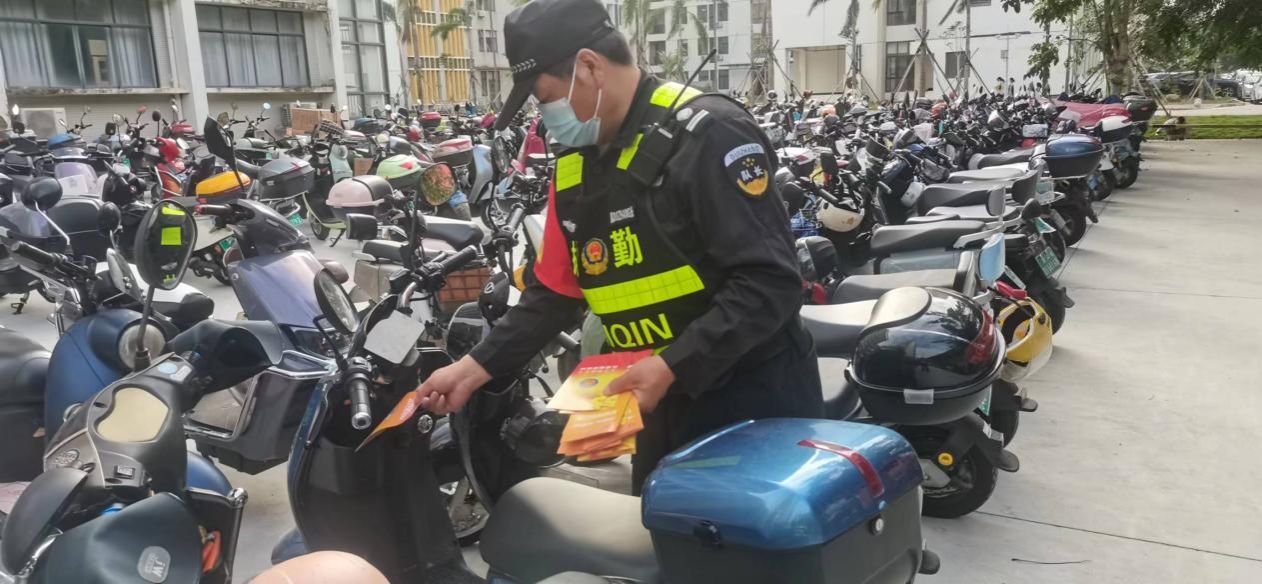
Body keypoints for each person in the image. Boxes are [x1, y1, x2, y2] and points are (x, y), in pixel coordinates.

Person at [414, 0, 822, 494]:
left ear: (589, 67)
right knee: (664, 530)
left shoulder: (708, 134)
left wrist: (673, 365)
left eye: (546, 99)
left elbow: (770, 282)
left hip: (749, 400)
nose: (545, 118)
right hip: (651, 401)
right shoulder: (573, 167)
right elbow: (554, 294)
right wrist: (474, 368)